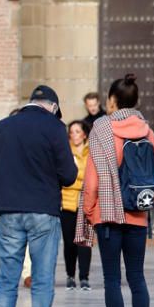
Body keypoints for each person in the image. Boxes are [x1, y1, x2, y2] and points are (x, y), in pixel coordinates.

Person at [0, 85, 77, 307]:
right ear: (54, 107)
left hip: (8, 210)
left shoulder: (2, 126)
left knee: (7, 277)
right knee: (43, 276)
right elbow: (69, 175)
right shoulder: (55, 128)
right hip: (43, 211)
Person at [76, 74, 154, 307]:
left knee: (112, 279)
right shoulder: (148, 131)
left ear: (112, 101)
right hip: (138, 216)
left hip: (109, 217)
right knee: (137, 278)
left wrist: (90, 211)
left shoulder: (101, 128)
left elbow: (91, 181)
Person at [61, 120, 92, 291]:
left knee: (85, 242)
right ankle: (70, 275)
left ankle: (84, 277)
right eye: (71, 132)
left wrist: (76, 178)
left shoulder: (91, 152)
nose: (74, 135)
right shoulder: (65, 152)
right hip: (67, 202)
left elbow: (91, 176)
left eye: (78, 131)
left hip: (85, 202)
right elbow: (65, 176)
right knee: (69, 242)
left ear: (84, 134)